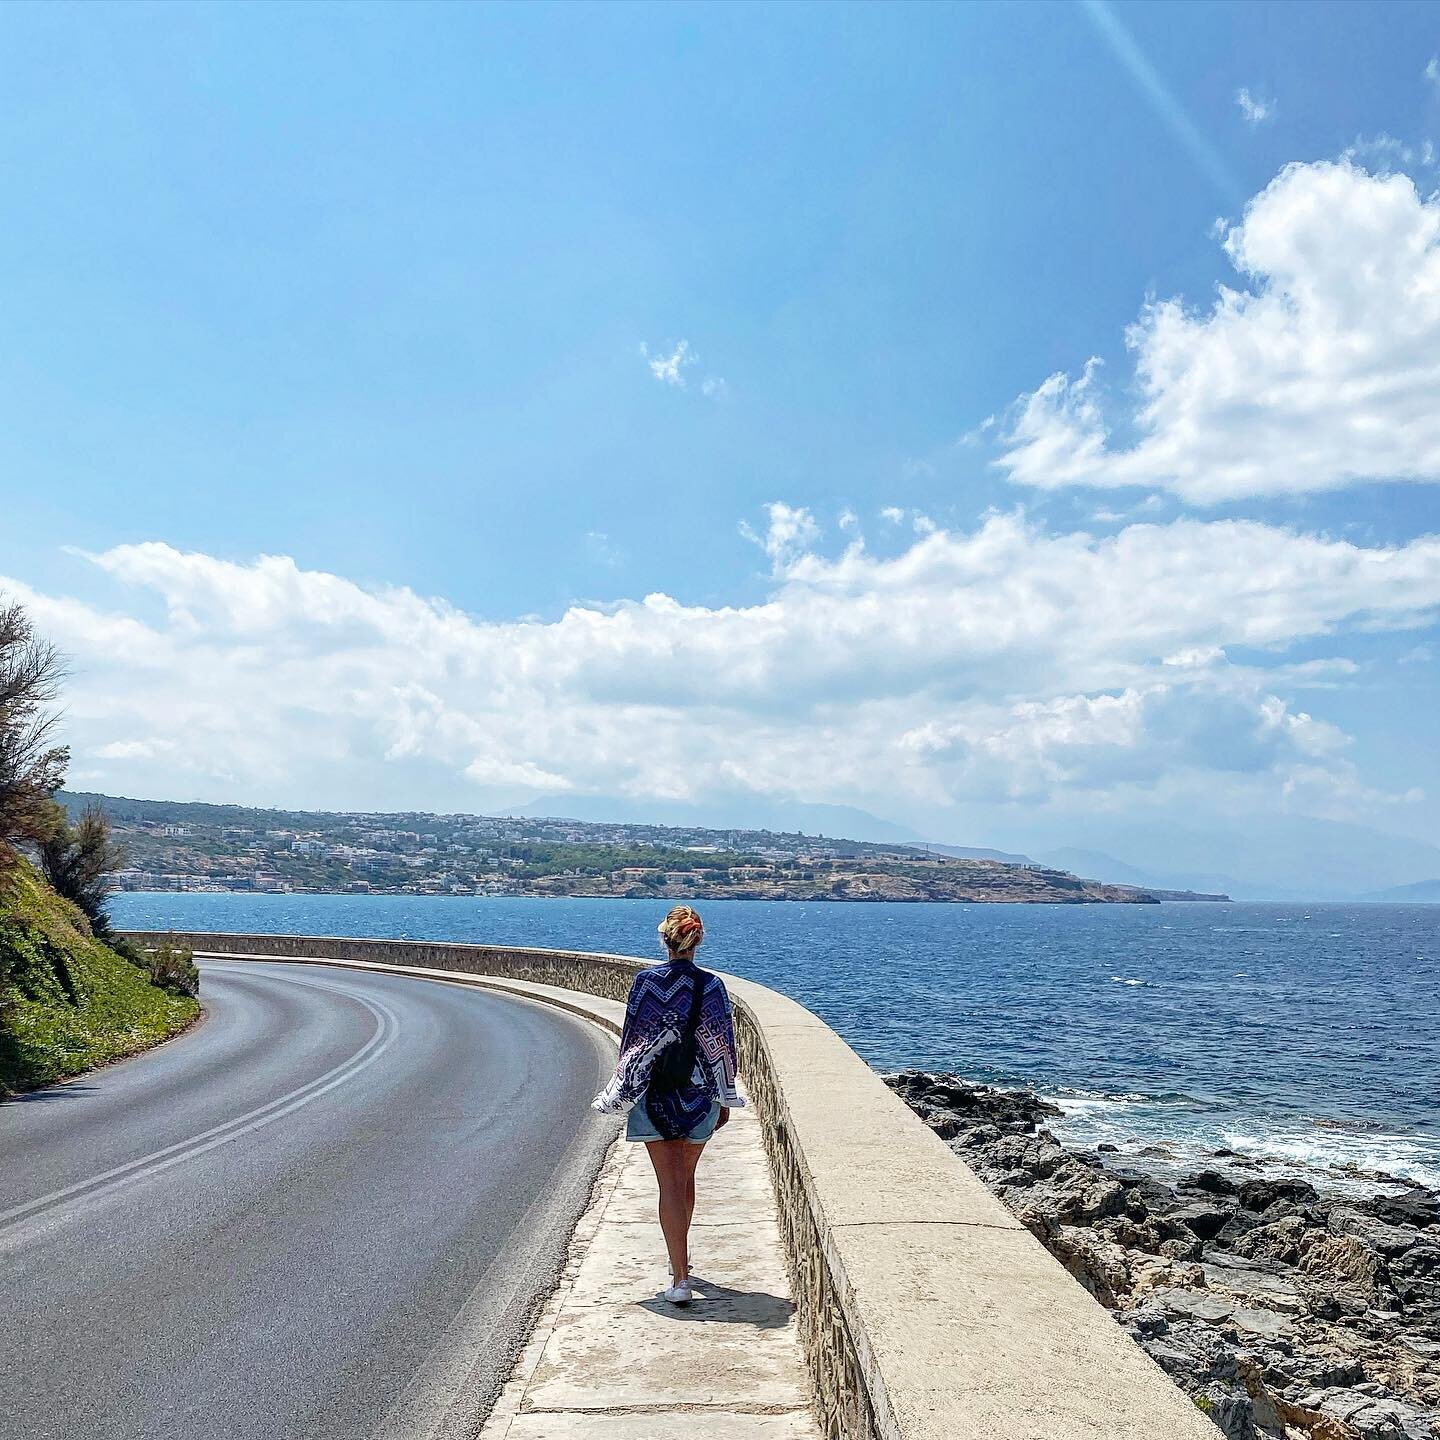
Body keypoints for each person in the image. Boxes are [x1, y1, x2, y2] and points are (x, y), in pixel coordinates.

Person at [591, 904, 745, 1304]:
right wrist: (724, 1097)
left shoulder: (646, 983)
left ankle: (679, 1277)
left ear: (665, 940)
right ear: (697, 941)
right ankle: (684, 1265)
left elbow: (633, 1043)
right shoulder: (712, 987)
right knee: (686, 1179)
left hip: (656, 1095)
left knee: (668, 1183)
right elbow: (724, 1048)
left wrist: (622, 1091)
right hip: (699, 1096)